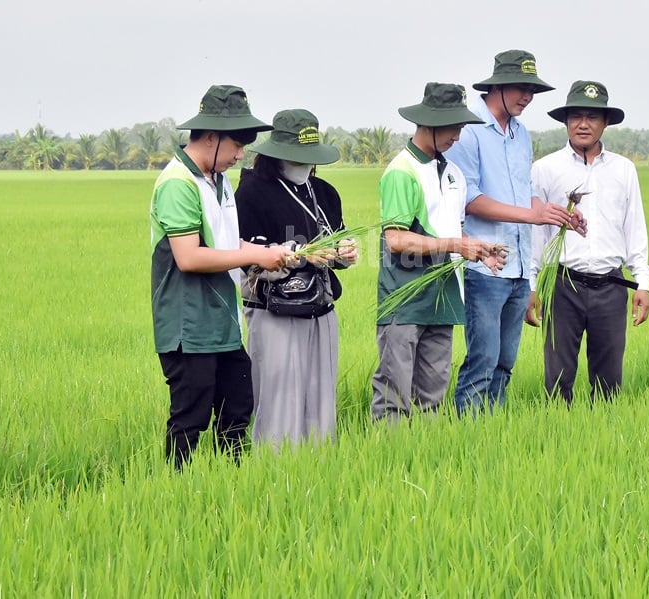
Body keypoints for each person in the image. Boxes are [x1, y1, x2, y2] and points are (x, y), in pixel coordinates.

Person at [150, 84, 292, 468]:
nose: (241, 155)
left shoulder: (218, 180)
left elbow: (228, 242)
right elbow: (189, 256)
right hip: (188, 326)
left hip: (222, 322)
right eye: (236, 144)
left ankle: (230, 488)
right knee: (191, 417)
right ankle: (177, 493)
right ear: (211, 137)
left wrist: (264, 253)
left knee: (237, 409)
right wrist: (255, 255)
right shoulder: (178, 183)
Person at [444, 49, 584, 416]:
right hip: (486, 266)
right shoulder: (468, 131)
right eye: (521, 88)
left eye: (532, 91)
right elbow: (469, 198)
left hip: (520, 266)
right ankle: (467, 434)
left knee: (506, 361)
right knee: (483, 359)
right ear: (498, 86)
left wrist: (555, 214)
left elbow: (525, 196)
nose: (528, 97)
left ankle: (493, 430)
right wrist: (530, 216)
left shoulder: (521, 135)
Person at [371, 82, 504, 422]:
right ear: (428, 123)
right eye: (452, 127)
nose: (458, 136)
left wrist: (478, 250)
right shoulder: (401, 171)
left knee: (433, 395)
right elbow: (396, 240)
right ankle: (389, 463)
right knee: (394, 393)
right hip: (405, 299)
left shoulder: (454, 173)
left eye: (461, 127)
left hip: (443, 299)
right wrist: (457, 245)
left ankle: (426, 461)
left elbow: (450, 229)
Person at [235, 108, 358, 446]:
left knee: (321, 404)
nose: (304, 163)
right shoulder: (251, 193)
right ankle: (274, 476)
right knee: (279, 404)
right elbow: (250, 260)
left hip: (321, 308)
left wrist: (345, 253)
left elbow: (337, 238)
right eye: (297, 156)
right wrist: (301, 255)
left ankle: (315, 475)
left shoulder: (325, 192)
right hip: (274, 311)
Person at [526, 80, 649, 403]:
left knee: (609, 382)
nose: (584, 124)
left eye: (593, 117)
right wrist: (531, 286)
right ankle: (558, 439)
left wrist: (642, 283)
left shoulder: (624, 170)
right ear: (566, 121)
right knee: (557, 380)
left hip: (611, 286)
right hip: (562, 285)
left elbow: (634, 228)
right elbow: (536, 232)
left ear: (605, 122)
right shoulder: (545, 169)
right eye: (576, 116)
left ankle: (606, 439)